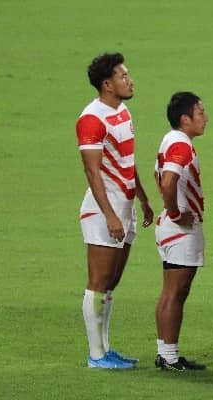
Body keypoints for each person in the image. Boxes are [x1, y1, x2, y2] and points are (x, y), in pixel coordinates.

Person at [75, 52, 154, 369]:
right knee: (98, 281)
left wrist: (143, 198)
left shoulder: (122, 111)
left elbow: (126, 160)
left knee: (111, 282)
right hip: (102, 210)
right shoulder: (91, 119)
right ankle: (96, 355)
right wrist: (109, 214)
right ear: (107, 84)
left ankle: (106, 348)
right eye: (123, 76)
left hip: (125, 206)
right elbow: (92, 171)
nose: (129, 81)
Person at [153, 92, 209, 371]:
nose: (205, 118)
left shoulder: (170, 139)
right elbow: (168, 181)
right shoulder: (181, 145)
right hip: (180, 229)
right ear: (185, 119)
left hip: (170, 228)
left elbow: (160, 177)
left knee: (170, 293)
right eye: (200, 112)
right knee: (175, 294)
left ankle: (165, 353)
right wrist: (175, 212)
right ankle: (170, 357)